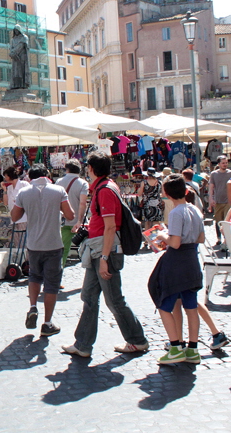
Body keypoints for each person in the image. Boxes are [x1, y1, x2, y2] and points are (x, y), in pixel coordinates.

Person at [62, 152, 149, 358]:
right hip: (98, 250)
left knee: (114, 300)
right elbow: (105, 223)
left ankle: (137, 340)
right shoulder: (106, 187)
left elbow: (110, 227)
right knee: (89, 297)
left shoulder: (105, 191)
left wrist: (103, 259)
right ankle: (82, 344)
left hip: (104, 252)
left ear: (91, 169)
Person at [11, 164, 74, 337]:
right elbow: (70, 216)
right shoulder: (58, 190)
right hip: (53, 243)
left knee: (34, 276)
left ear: (30, 177)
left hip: (34, 244)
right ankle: (47, 323)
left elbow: (14, 217)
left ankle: (32, 307)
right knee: (51, 285)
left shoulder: (23, 193)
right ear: (47, 175)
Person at [151, 174, 204, 364]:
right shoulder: (195, 210)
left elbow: (174, 242)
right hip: (192, 259)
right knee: (191, 306)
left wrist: (163, 235)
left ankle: (175, 347)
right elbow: (201, 239)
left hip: (177, 263)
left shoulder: (175, 212)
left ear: (166, 193)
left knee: (164, 303)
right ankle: (193, 349)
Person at [56, 159, 89, 282]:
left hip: (63, 221)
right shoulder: (83, 183)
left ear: (67, 169)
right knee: (88, 248)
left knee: (62, 251)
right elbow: (83, 203)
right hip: (79, 222)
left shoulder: (59, 182)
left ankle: (57, 279)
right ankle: (91, 277)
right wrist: (79, 220)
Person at [208, 155, 231, 248]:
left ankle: (226, 239)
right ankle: (219, 239)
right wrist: (211, 199)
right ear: (219, 164)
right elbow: (211, 188)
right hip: (218, 201)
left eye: (226, 162)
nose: (225, 164)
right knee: (218, 220)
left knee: (227, 221)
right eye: (223, 163)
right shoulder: (214, 174)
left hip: (229, 201)